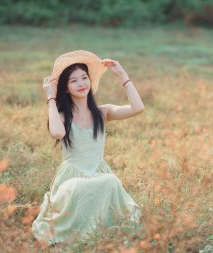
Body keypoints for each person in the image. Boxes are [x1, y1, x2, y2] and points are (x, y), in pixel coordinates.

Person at [32, 50, 145, 247]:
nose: (82, 83)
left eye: (84, 78)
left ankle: (101, 232)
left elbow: (137, 108)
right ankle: (75, 234)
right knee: (78, 188)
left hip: (99, 173)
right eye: (74, 81)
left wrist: (123, 75)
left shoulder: (102, 112)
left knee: (110, 181)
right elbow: (58, 133)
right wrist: (50, 98)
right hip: (71, 179)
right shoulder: (62, 116)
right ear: (66, 88)